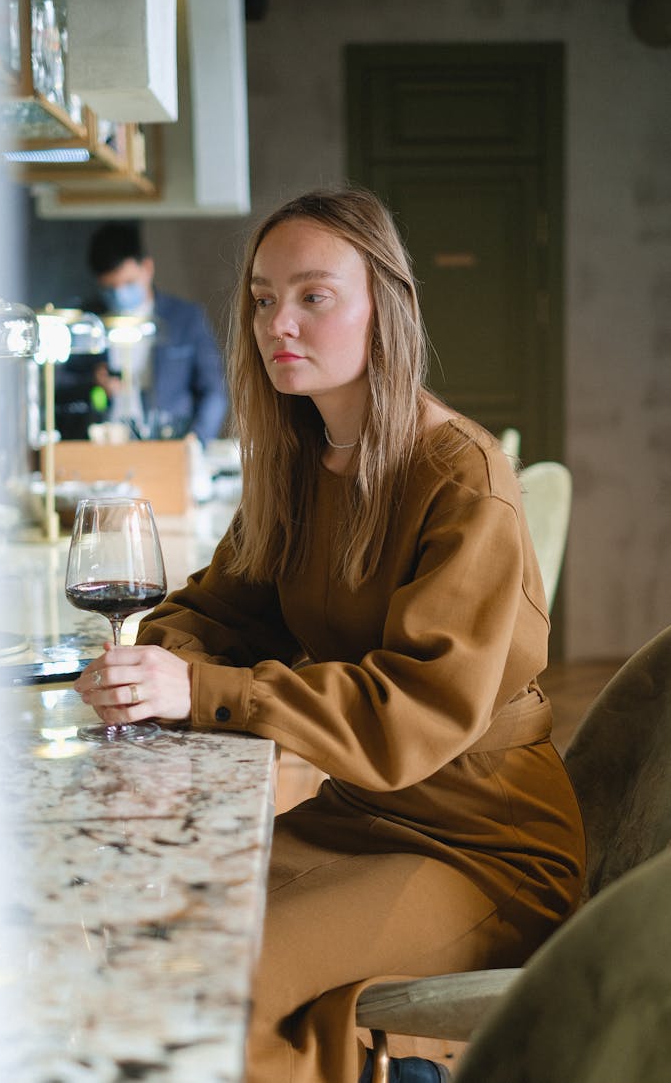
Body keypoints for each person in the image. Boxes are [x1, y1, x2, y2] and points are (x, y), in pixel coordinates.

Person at [74, 188, 586, 1083]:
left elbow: (413, 708)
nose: (281, 322)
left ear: (384, 307)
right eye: (265, 299)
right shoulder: (300, 463)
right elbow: (217, 610)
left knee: (210, 977)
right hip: (358, 813)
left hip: (479, 845)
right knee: (140, 928)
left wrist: (195, 688)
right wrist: (160, 661)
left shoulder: (461, 475)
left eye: (314, 295)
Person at [84, 220, 228, 443]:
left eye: (129, 282)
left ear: (147, 268)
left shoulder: (185, 318)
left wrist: (196, 440)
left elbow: (214, 392)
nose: (121, 294)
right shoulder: (88, 322)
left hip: (169, 443)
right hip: (108, 443)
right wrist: (96, 383)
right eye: (111, 288)